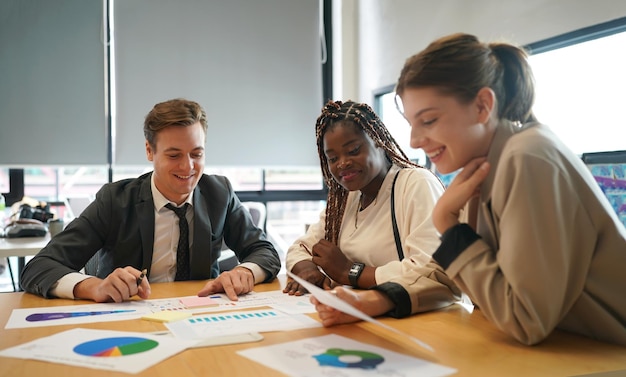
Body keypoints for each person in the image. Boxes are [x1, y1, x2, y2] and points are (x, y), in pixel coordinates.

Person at [312, 33, 626, 346]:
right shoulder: (486, 164)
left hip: (603, 354)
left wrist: (447, 223)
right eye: (411, 123)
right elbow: (443, 275)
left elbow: (525, 319)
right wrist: (373, 301)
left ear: (482, 106)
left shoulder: (527, 156)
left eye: (429, 120)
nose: (414, 141)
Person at [20, 98, 281, 303]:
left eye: (196, 153)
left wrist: (244, 272)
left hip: (199, 316)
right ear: (149, 151)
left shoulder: (218, 193)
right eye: (174, 155)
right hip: (127, 319)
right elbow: (39, 268)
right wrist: (95, 287)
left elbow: (265, 252)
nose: (188, 166)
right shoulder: (115, 201)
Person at [284, 100, 461, 317]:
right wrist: (309, 270)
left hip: (420, 317)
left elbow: (430, 270)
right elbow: (300, 248)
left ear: (378, 142)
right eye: (332, 158)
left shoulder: (414, 183)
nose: (342, 163)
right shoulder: (346, 198)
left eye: (353, 150)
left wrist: (350, 272)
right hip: (362, 315)